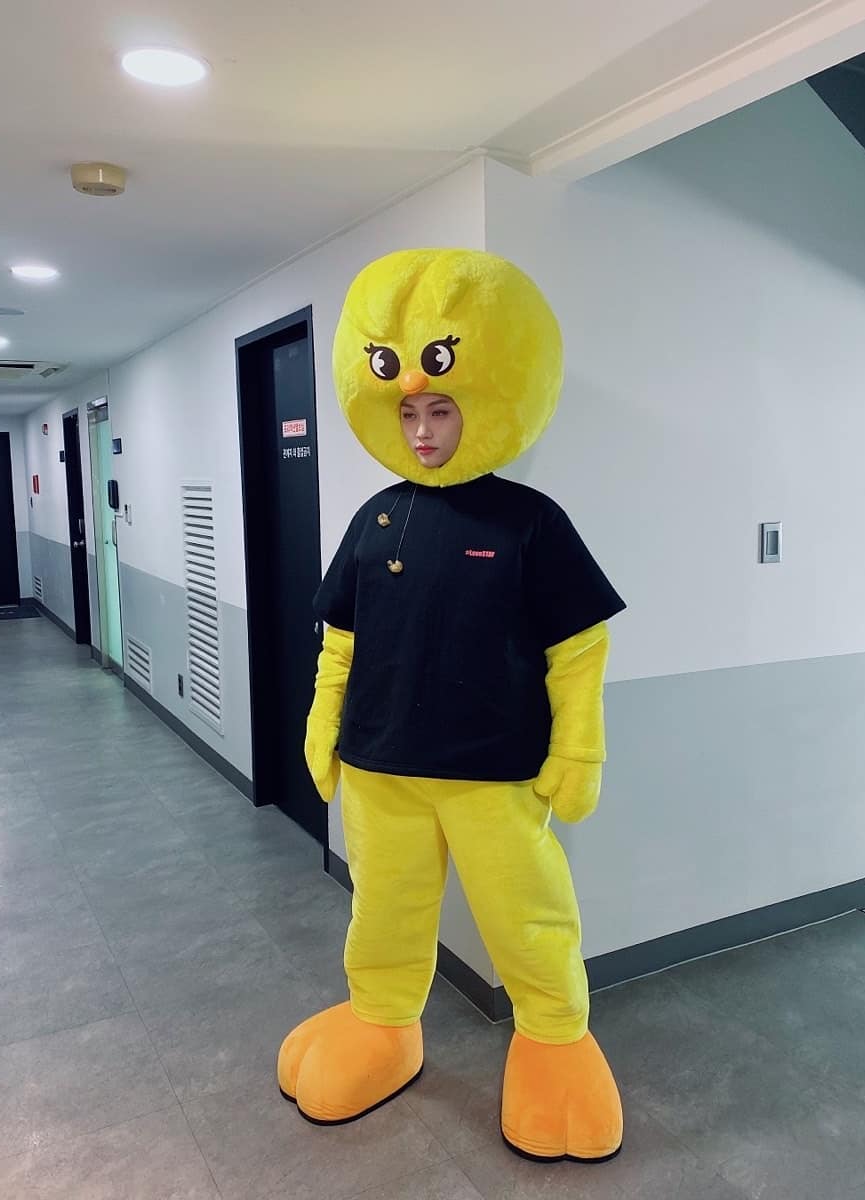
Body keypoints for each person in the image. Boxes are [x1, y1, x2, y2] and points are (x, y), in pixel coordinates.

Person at [278, 248, 627, 1162]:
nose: (424, 429)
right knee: (383, 910)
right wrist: (323, 726)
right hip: (380, 763)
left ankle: (555, 1036)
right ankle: (381, 1020)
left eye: (439, 408)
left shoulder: (530, 520)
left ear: (479, 397)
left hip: (494, 769)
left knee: (527, 916)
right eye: (409, 412)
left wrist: (578, 750)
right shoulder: (374, 516)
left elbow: (578, 650)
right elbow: (340, 640)